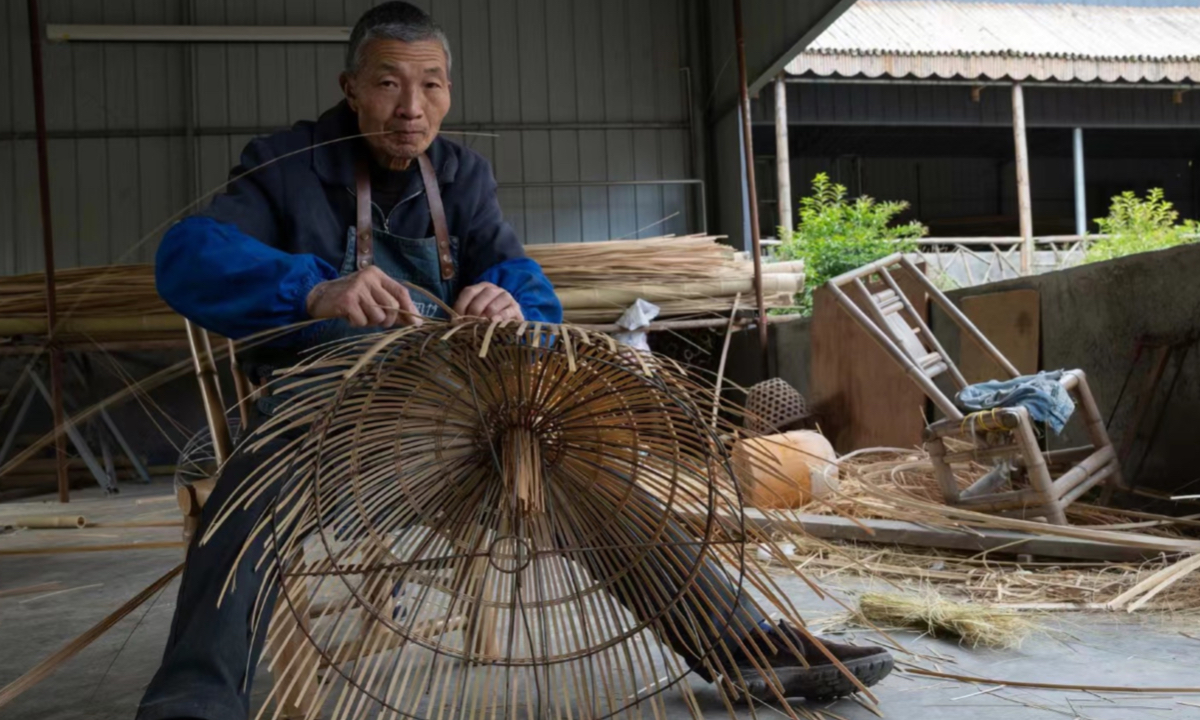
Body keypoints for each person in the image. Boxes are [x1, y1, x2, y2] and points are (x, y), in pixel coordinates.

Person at [139, 4, 892, 719]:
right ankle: (194, 700)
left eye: (431, 85)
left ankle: (752, 648)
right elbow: (187, 257)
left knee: (603, 479)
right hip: (322, 418)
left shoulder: (459, 175)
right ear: (351, 88)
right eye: (389, 83)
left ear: (448, 92)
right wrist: (315, 289)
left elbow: (521, 277)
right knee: (243, 504)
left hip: (457, 424)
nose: (411, 108)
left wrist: (511, 303)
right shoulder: (285, 165)